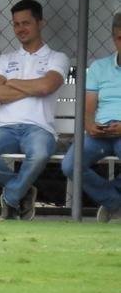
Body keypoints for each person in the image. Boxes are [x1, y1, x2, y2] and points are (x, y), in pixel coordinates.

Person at [0, 0, 69, 221]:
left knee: (40, 154)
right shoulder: (6, 59)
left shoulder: (57, 57)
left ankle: (11, 197)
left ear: (40, 23)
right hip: (6, 128)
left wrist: (13, 82)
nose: (20, 29)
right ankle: (23, 190)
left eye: (26, 23)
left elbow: (46, 86)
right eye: (16, 24)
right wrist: (33, 86)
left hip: (40, 128)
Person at [62, 13, 121, 222]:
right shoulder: (99, 67)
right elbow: (89, 107)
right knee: (69, 165)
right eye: (120, 38)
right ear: (114, 38)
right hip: (100, 131)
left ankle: (112, 201)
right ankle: (115, 202)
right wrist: (90, 124)